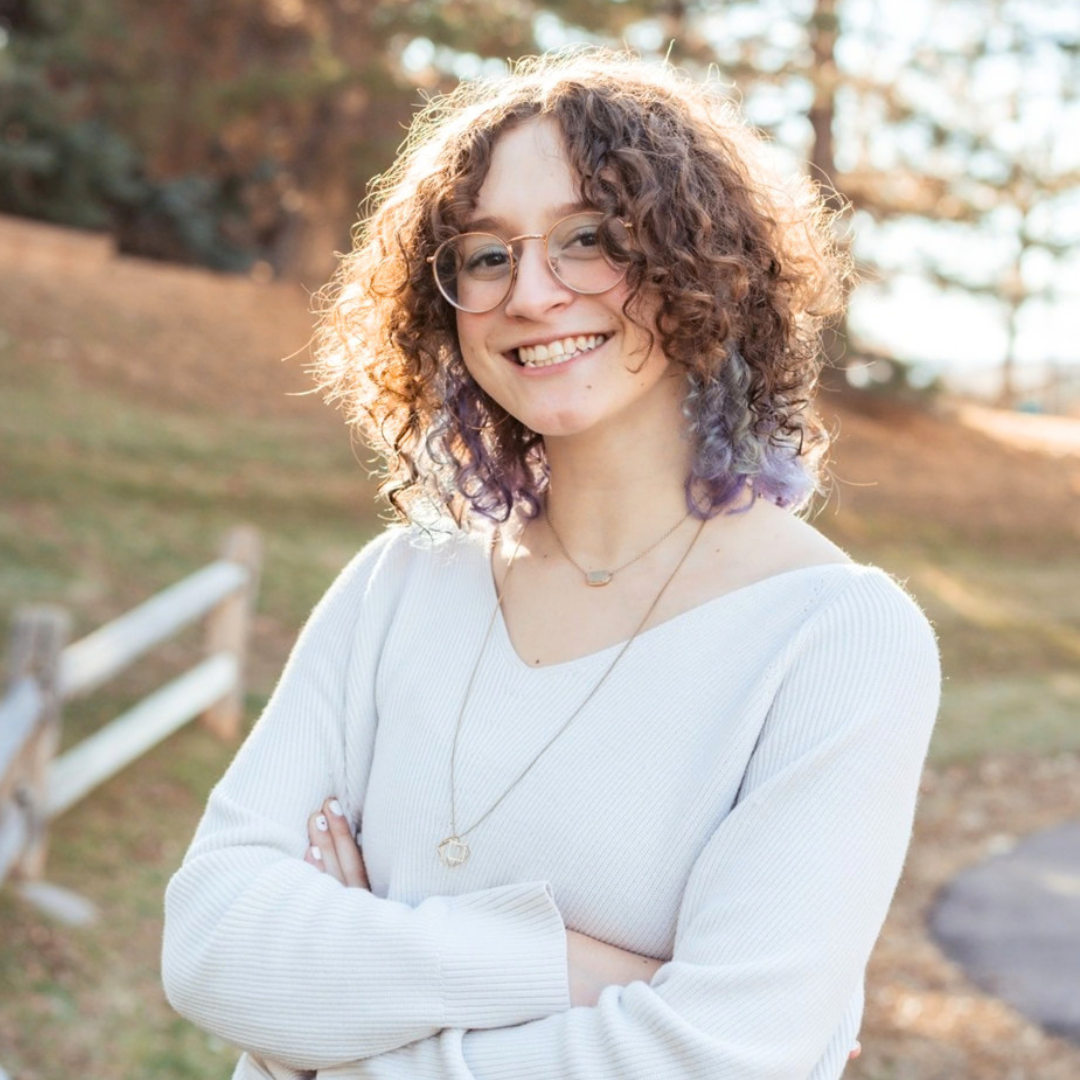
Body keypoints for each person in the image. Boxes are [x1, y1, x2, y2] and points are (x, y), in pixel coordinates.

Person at [162, 49, 940, 1080]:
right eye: (487, 256)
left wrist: (329, 1031)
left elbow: (720, 1059)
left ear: (702, 263)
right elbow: (214, 948)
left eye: (589, 239)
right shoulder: (401, 586)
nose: (532, 292)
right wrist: (571, 970)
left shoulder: (836, 640)